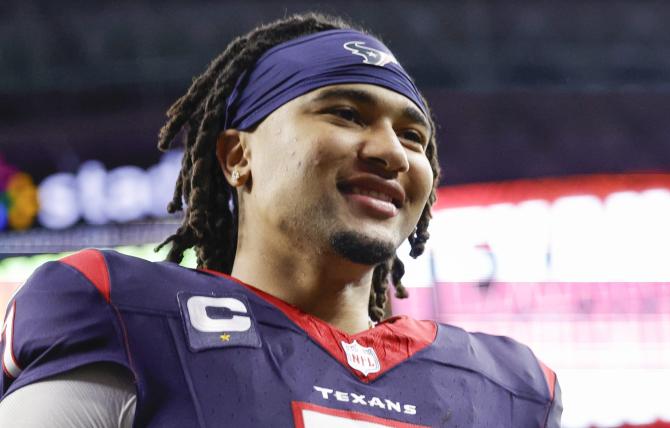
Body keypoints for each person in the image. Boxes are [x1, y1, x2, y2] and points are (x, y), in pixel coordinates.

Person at [0, 12, 561, 427]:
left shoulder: (510, 389)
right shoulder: (125, 316)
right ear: (237, 157)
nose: (393, 152)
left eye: (414, 136)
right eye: (345, 113)